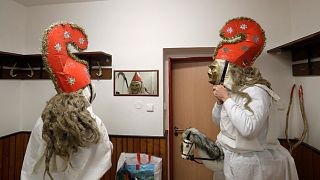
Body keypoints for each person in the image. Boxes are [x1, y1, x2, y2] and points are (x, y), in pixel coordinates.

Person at [208, 17, 299, 180]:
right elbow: (217, 122)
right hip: (228, 158)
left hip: (252, 165)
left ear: (233, 70)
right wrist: (220, 102)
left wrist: (227, 99)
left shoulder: (257, 91)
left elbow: (249, 129)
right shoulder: (233, 91)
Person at [21, 22, 113, 180]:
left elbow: (31, 159)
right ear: (87, 94)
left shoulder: (43, 121)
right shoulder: (93, 123)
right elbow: (102, 157)